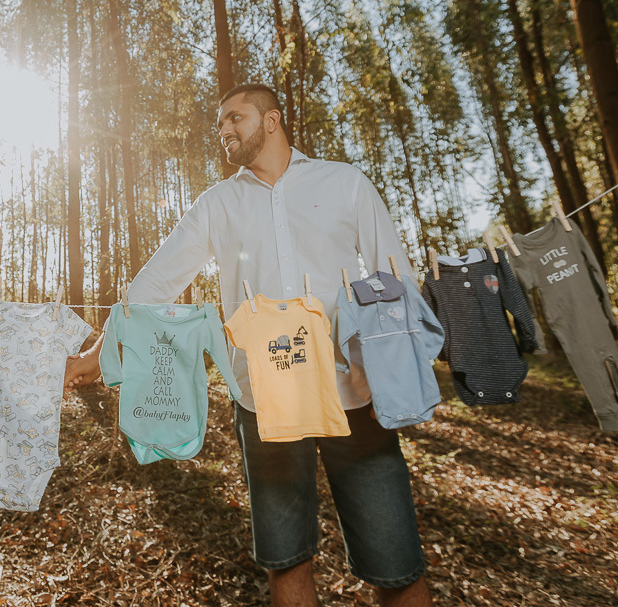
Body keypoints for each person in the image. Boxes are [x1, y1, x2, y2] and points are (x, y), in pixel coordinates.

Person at [64, 84, 433, 607]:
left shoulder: (345, 183)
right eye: (219, 125)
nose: (224, 131)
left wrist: (396, 377)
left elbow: (396, 277)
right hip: (264, 402)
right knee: (286, 561)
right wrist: (96, 356)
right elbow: (151, 288)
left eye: (234, 118)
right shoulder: (217, 204)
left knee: (397, 564)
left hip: (356, 394)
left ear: (272, 120)